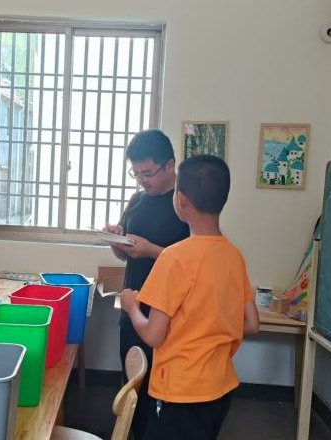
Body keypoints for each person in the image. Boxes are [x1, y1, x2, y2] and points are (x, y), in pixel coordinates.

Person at [121, 155, 260, 440]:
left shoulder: (174, 258)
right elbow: (251, 324)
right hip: (220, 388)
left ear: (181, 200)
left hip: (179, 391)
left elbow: (154, 335)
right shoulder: (234, 256)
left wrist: (132, 307)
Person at [103, 129, 190, 439]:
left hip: (170, 314)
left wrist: (151, 250)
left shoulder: (185, 204)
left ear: (170, 166)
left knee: (163, 390)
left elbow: (193, 263)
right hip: (134, 304)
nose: (141, 180)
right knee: (132, 382)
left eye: (148, 173)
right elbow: (125, 255)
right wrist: (116, 240)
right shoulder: (137, 200)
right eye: (136, 173)